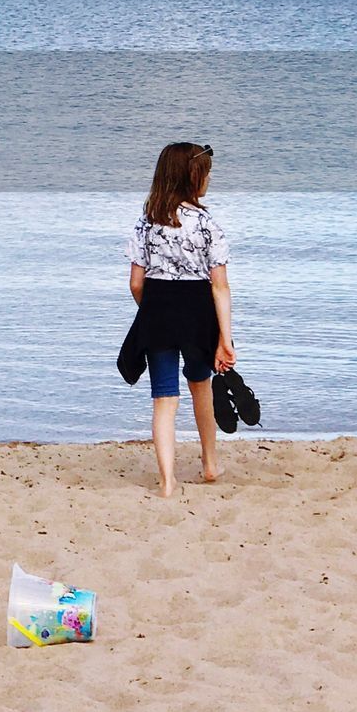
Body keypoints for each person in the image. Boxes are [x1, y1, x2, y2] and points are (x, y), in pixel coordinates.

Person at [125, 142, 235, 497]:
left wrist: (152, 308)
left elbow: (136, 283)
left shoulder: (146, 222)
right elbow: (220, 287)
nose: (208, 180)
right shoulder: (206, 224)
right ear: (193, 177)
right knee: (200, 385)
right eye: (206, 174)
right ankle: (210, 463)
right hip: (196, 311)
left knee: (164, 399)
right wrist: (225, 338)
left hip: (158, 309)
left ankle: (168, 481)